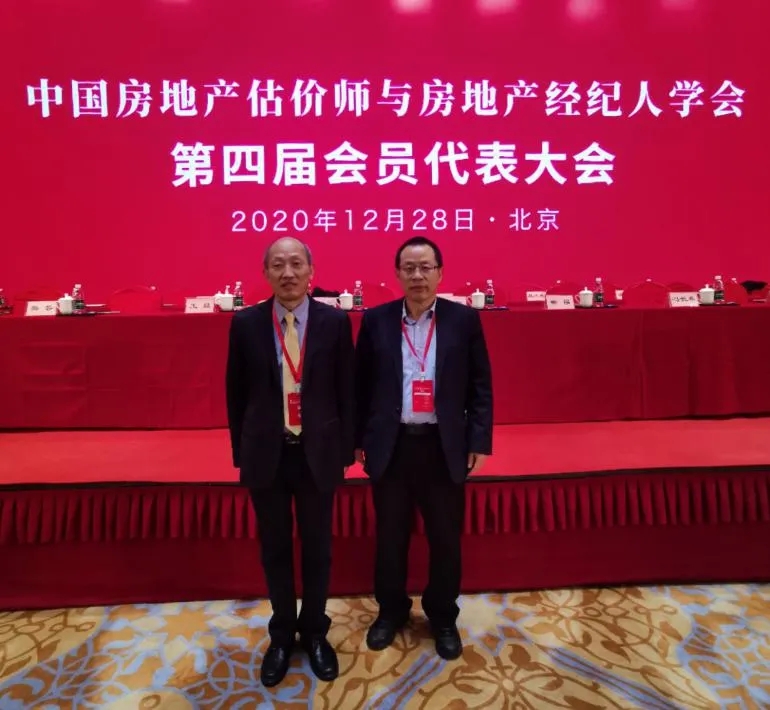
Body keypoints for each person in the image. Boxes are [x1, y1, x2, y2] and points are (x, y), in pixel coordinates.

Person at [354, 236, 493, 660]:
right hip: (392, 446)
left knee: (445, 539)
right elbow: (360, 386)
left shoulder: (463, 320)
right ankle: (391, 611)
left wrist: (478, 440)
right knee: (390, 537)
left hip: (442, 446)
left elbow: (480, 386)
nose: (417, 275)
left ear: (440, 273)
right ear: (397, 274)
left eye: (425, 267)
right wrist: (358, 440)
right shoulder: (376, 320)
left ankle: (443, 615)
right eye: (409, 268)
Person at [226, 237, 354, 686]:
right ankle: (281, 635)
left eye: (296, 263)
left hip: (318, 454)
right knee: (275, 549)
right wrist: (242, 453)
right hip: (268, 454)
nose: (288, 273)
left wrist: (346, 449)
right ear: (265, 273)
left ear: (311, 270)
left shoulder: (334, 322)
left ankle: (315, 632)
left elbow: (346, 389)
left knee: (318, 549)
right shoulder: (246, 323)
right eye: (278, 265)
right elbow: (235, 393)